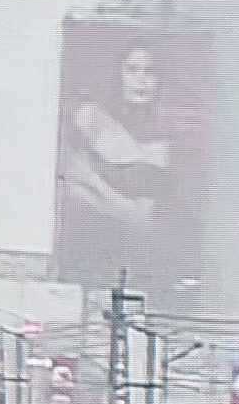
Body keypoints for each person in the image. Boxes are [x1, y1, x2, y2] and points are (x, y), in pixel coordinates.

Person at [58, 42, 184, 286]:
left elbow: (144, 214)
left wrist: (93, 185)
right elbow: (70, 181)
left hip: (141, 261)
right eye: (132, 70)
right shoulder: (91, 118)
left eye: (150, 71)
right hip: (88, 252)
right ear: (118, 74)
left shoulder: (166, 135)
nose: (142, 80)